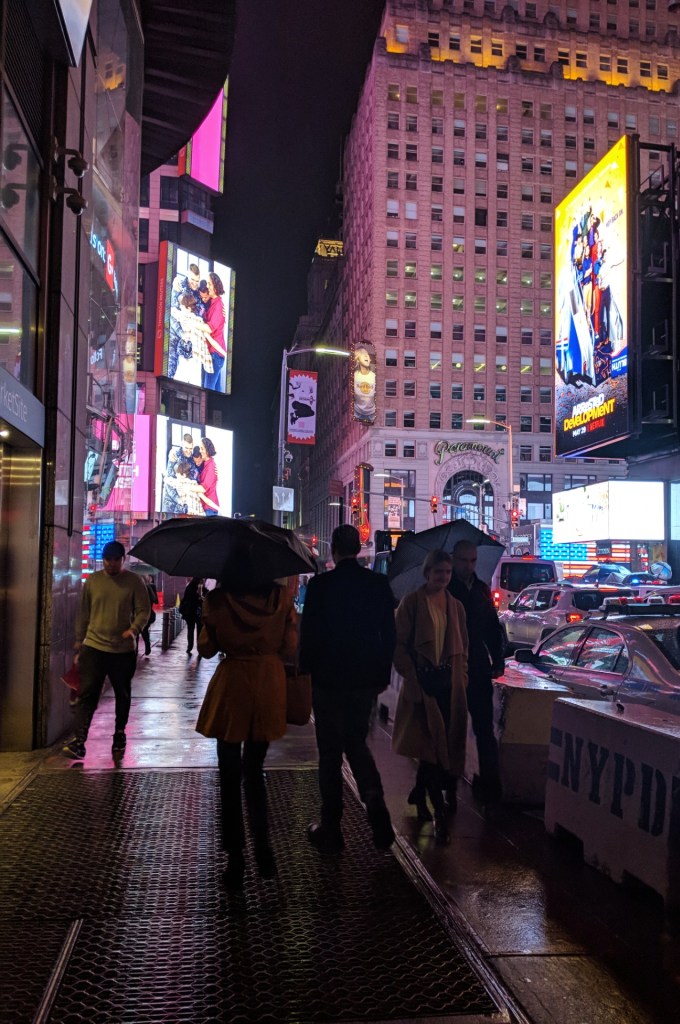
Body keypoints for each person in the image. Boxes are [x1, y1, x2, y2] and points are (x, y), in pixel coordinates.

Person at [195, 572, 297, 890]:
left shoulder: (217, 601)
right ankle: (264, 849)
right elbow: (291, 646)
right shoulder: (281, 600)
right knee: (255, 771)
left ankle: (235, 857)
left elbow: (206, 649)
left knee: (229, 776)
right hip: (268, 685)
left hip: (232, 687)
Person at [299, 524, 396, 854]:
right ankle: (374, 799)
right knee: (356, 743)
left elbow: (309, 633)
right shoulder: (377, 585)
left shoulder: (320, 586)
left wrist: (306, 669)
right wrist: (381, 674)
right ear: (357, 549)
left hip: (327, 680)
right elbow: (388, 633)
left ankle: (331, 829)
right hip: (364, 680)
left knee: (329, 754)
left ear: (334, 551)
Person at [392, 551, 468, 845]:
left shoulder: (456, 606)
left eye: (448, 572)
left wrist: (462, 677)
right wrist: (411, 676)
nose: (444, 577)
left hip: (449, 685)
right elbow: (399, 645)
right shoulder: (411, 603)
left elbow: (464, 647)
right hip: (423, 685)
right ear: (427, 573)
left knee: (436, 749)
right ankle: (440, 816)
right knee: (432, 750)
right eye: (439, 572)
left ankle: (419, 793)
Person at [64, 541, 151, 760]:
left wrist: (134, 629)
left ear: (123, 559)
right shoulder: (93, 581)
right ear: (103, 560)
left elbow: (144, 610)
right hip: (94, 646)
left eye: (116, 560)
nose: (111, 564)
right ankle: (79, 741)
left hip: (123, 650)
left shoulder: (134, 581)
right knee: (87, 694)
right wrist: (79, 642)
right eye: (107, 560)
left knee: (122, 693)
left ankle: (119, 733)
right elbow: (83, 613)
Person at [447, 539, 505, 805]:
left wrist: (498, 658)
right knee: (452, 728)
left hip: (478, 666)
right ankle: (449, 783)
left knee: (483, 729)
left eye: (472, 561)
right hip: (452, 666)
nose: (469, 566)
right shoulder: (446, 589)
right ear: (454, 559)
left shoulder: (480, 589)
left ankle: (491, 785)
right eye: (464, 560)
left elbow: (492, 627)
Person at [168, 263, 203, 379]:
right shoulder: (179, 286)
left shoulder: (198, 292)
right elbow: (171, 313)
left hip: (189, 339)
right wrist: (181, 333)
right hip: (176, 336)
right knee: (170, 371)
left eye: (197, 280)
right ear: (187, 275)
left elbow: (200, 312)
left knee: (188, 376)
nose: (195, 283)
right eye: (192, 279)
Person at [202, 271, 228, 391]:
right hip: (215, 354)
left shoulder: (218, 306)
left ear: (216, 287)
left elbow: (210, 328)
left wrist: (193, 324)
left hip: (215, 354)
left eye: (209, 284)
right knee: (216, 390)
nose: (207, 286)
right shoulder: (212, 302)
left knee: (208, 389)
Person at [195, 436, 220, 515]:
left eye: (202, 448)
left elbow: (203, 488)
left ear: (208, 451)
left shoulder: (211, 466)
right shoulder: (204, 463)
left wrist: (186, 487)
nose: (200, 451)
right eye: (200, 448)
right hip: (205, 506)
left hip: (209, 508)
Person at [180, 578, 203, 654]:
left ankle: (190, 647)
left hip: (191, 613)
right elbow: (195, 599)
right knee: (197, 630)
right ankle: (196, 647)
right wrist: (199, 596)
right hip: (195, 612)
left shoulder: (190, 587)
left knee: (191, 630)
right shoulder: (194, 589)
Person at [353, 345, 376, 422]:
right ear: (358, 360)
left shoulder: (374, 377)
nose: (366, 356)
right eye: (363, 354)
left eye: (367, 354)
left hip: (372, 414)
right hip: (357, 413)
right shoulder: (354, 376)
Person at [139, 574, 159, 657]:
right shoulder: (150, 587)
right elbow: (155, 600)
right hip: (148, 614)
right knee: (144, 631)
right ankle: (147, 647)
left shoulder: (144, 588)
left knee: (141, 631)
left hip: (143, 614)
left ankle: (140, 649)